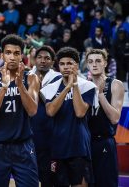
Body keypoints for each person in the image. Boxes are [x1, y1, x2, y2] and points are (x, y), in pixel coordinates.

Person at [0, 34, 40, 186]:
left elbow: (33, 111)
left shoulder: (31, 78)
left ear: (22, 55)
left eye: (16, 53)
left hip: (23, 145)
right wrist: (4, 88)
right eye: (8, 53)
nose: (12, 57)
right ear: (2, 55)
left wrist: (20, 85)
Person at [40, 47, 98, 187]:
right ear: (58, 66)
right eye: (62, 64)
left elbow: (80, 112)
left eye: (70, 63)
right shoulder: (50, 88)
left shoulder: (88, 86)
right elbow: (51, 112)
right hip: (58, 146)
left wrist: (75, 85)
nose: (66, 67)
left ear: (76, 65)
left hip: (79, 146)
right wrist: (66, 88)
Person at [86, 49, 124, 187]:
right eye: (90, 62)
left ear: (105, 63)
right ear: (87, 65)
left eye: (98, 61)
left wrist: (100, 94)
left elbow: (114, 118)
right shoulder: (84, 85)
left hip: (104, 142)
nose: (94, 64)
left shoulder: (115, 84)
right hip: (85, 143)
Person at [30, 46, 61, 187]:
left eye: (47, 58)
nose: (43, 61)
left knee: (48, 179)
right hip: (28, 135)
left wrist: (37, 85)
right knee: (28, 178)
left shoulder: (59, 79)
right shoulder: (26, 75)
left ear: (53, 62)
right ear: (35, 60)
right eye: (40, 57)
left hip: (50, 136)